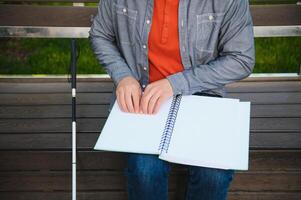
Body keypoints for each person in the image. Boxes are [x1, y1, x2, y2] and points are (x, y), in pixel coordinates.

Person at [89, 0, 255, 199]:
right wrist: (123, 76)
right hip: (143, 94)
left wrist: (175, 84)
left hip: (202, 93)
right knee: (144, 170)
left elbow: (241, 59)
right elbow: (100, 34)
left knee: (214, 174)